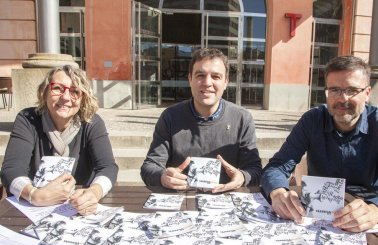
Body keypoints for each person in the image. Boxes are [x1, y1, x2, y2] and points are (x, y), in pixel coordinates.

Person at [261, 55, 378, 232]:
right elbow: (277, 166)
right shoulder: (312, 120)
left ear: (367, 93)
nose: (342, 99)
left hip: (367, 220)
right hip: (316, 216)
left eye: (352, 90)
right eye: (334, 90)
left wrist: (376, 210)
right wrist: (278, 192)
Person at [0, 65, 118, 215]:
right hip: (32, 209)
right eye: (57, 88)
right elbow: (11, 169)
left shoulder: (92, 123)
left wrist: (94, 193)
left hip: (78, 209)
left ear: (83, 98)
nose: (66, 97)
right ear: (45, 93)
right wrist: (34, 195)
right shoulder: (27, 120)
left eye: (75, 91)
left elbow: (108, 167)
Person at [140, 48, 262, 192]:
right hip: (181, 201)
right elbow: (150, 166)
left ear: (226, 82)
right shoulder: (170, 117)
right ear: (190, 79)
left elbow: (255, 169)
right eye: (200, 75)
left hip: (225, 202)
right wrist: (162, 176)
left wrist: (242, 176)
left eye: (216, 76)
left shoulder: (242, 119)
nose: (207, 82)